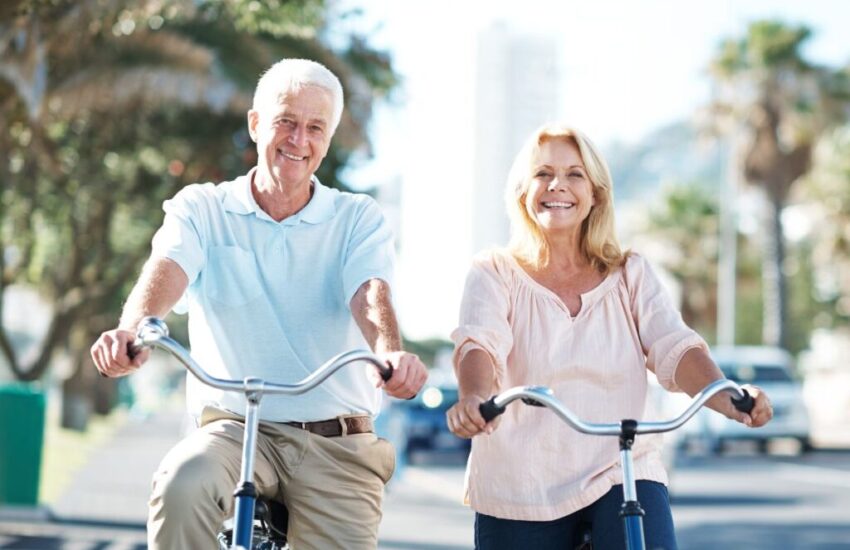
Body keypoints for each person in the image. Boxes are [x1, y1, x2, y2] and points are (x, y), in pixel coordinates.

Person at [90, 58, 428, 550]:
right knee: (182, 484)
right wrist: (133, 330)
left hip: (336, 443)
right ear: (255, 124)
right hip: (234, 429)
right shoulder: (203, 207)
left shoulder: (356, 218)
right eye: (285, 122)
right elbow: (167, 268)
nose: (298, 140)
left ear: (328, 139)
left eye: (315, 128)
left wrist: (390, 351)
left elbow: (369, 291)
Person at [445, 123, 773, 550]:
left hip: (621, 466)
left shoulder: (631, 273)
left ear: (595, 194)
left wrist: (726, 395)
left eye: (574, 174)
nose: (557, 185)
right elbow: (480, 344)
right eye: (543, 173)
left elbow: (675, 344)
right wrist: (474, 397)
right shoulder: (494, 272)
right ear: (523, 190)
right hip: (522, 481)